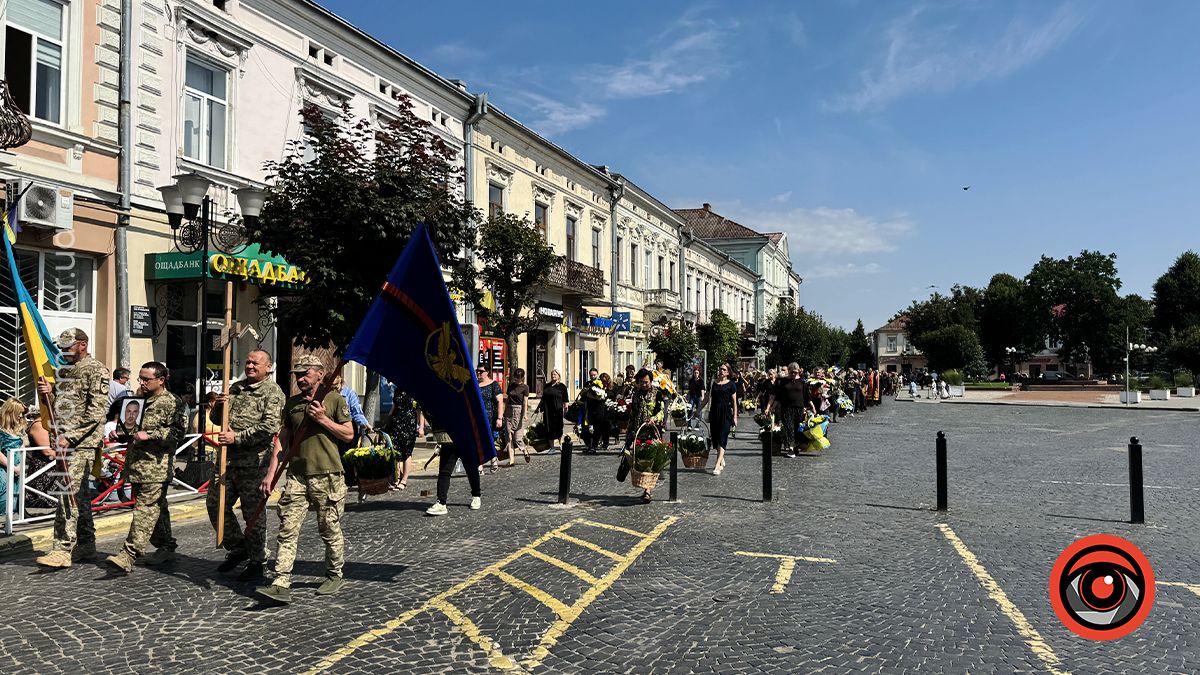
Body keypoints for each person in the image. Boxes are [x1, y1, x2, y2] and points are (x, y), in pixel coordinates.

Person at [256, 356, 353, 604]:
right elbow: (282, 441)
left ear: (320, 373)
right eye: (297, 375)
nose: (300, 379)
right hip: (297, 476)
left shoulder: (334, 399)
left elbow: (348, 434)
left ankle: (334, 574)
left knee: (329, 529)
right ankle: (281, 582)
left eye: (305, 373)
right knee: (287, 529)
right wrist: (271, 474)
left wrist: (323, 419)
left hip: (328, 475)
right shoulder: (292, 404)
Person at [207, 349, 285, 581]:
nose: (250, 366)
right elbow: (216, 420)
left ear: (268, 367)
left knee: (253, 514)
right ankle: (238, 547)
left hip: (254, 464)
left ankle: (257, 560)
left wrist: (237, 438)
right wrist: (219, 406)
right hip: (227, 461)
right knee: (215, 505)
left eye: (255, 363)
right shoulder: (235, 388)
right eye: (248, 362)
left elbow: (269, 427)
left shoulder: (272, 392)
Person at [35, 328, 110, 569]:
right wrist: (48, 395)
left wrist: (71, 436)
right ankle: (86, 544)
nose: (63, 351)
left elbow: (96, 412)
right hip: (64, 440)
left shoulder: (96, 370)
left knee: (66, 492)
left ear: (82, 345)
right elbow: (64, 407)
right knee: (80, 495)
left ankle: (62, 549)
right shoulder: (66, 371)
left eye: (67, 347)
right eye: (62, 348)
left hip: (81, 443)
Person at [104, 362, 186, 572]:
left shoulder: (171, 402)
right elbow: (130, 429)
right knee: (156, 510)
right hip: (135, 465)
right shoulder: (138, 400)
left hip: (156, 467)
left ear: (161, 380)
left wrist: (151, 435)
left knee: (145, 510)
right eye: (140, 378)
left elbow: (178, 433)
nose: (141, 382)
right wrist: (119, 434)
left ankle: (129, 554)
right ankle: (166, 545)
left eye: (146, 379)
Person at [424, 410, 482, 517]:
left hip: (464, 434)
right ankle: (441, 502)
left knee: (471, 469)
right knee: (444, 472)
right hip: (447, 437)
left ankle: (476, 495)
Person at [620, 368, 665, 503]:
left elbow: (662, 411)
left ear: (651, 381)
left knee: (650, 460)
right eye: (641, 382)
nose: (644, 384)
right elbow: (633, 413)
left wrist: (654, 419)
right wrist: (629, 430)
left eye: (646, 382)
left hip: (652, 432)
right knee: (640, 460)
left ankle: (648, 491)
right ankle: (644, 485)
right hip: (638, 431)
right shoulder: (636, 394)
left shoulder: (657, 394)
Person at [700, 363, 738, 476]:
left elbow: (734, 402)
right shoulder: (713, 383)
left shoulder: (731, 385)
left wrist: (735, 417)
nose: (721, 371)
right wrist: (698, 409)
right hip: (714, 413)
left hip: (726, 413)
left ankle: (717, 465)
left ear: (728, 372)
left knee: (722, 437)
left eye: (724, 369)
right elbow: (706, 398)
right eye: (720, 369)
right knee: (715, 438)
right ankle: (721, 457)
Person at [383, 388, 423, 491]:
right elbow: (394, 406)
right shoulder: (398, 390)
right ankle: (396, 478)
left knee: (407, 453)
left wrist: (421, 427)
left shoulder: (415, 390)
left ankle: (404, 480)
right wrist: (387, 419)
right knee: (394, 452)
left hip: (409, 426)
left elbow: (420, 410)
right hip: (395, 425)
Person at [768, 363, 808, 457]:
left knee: (797, 428)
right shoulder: (782, 381)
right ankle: (790, 448)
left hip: (799, 408)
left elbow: (806, 396)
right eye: (791, 372)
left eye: (795, 372)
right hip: (786, 408)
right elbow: (777, 396)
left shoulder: (802, 382)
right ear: (788, 371)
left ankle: (795, 446)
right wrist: (771, 406)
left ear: (798, 371)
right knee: (789, 427)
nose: (793, 374)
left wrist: (811, 408)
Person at [0, 397, 28, 510]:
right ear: (10, 412)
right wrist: (13, 468)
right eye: (19, 413)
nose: (21, 416)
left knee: (14, 503)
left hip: (17, 470)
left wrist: (20, 466)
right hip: (4, 471)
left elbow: (23, 448)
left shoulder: (17, 428)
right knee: (4, 501)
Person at [477, 367, 505, 473]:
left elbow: (500, 402)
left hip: (490, 417)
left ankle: (493, 459)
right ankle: (480, 465)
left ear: (487, 372)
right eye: (477, 371)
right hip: (477, 417)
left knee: (489, 440)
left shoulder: (494, 385)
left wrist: (499, 418)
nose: (478, 373)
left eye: (481, 371)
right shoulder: (474, 385)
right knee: (478, 440)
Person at [502, 368, 530, 465]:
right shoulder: (511, 385)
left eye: (519, 378)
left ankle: (524, 450)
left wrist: (525, 413)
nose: (517, 379)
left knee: (517, 438)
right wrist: (504, 411)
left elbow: (525, 402)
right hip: (509, 411)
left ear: (522, 377)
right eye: (515, 377)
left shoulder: (525, 387)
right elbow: (508, 399)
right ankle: (511, 460)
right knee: (508, 437)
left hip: (518, 411)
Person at [537, 370, 568, 451]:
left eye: (555, 374)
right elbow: (543, 398)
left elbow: (565, 399)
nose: (553, 376)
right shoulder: (547, 386)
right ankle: (552, 447)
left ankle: (560, 444)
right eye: (552, 374)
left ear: (558, 376)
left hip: (557, 410)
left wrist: (566, 408)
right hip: (548, 410)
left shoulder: (562, 386)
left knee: (558, 427)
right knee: (548, 427)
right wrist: (538, 407)